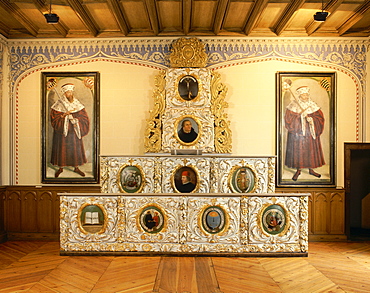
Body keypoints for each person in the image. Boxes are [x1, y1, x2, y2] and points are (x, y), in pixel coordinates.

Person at [284, 85, 325, 181]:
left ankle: (311, 169)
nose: (306, 97)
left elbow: (320, 118)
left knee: (310, 150)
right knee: (299, 151)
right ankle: (298, 170)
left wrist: (312, 120)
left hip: (310, 133)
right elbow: (288, 120)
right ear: (299, 96)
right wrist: (299, 117)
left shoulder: (312, 105)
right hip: (298, 133)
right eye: (303, 95)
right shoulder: (293, 105)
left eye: (307, 95)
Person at [50, 83, 90, 178]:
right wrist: (64, 116)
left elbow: (84, 118)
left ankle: (76, 167)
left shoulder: (77, 104)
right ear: (64, 93)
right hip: (62, 133)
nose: (70, 94)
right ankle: (60, 168)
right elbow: (54, 118)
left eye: (71, 92)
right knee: (62, 148)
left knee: (75, 148)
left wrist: (76, 120)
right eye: (68, 92)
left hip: (74, 131)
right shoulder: (59, 104)